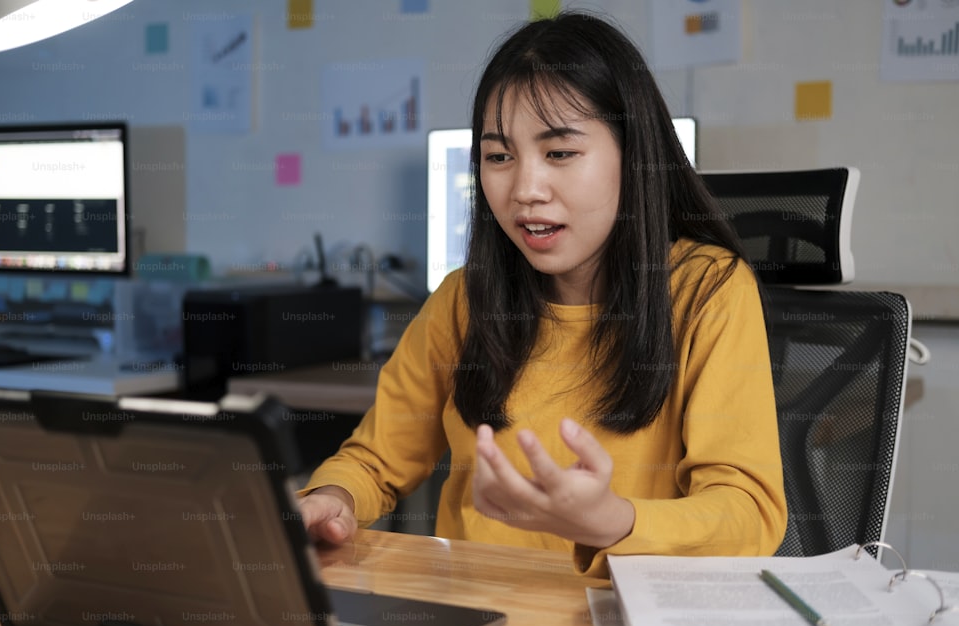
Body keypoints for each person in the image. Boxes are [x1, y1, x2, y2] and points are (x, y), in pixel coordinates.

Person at [297, 10, 787, 577]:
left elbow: (748, 515)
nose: (525, 190)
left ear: (635, 156)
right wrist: (334, 498)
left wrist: (613, 522)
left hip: (623, 625)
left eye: (560, 153)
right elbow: (375, 459)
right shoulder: (464, 300)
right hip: (479, 623)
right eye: (499, 156)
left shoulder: (708, 291)